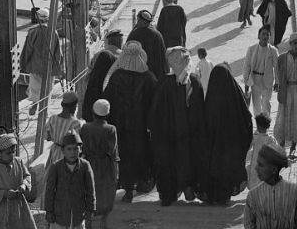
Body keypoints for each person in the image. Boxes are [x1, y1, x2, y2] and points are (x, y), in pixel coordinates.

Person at [150, 46, 207, 207]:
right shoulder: (193, 81)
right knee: (187, 161)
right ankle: (188, 189)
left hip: (167, 135)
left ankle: (170, 193)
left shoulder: (165, 82)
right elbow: (199, 110)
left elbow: (156, 110)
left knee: (169, 163)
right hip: (188, 135)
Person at [103, 41, 158, 201]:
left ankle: (127, 188)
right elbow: (155, 104)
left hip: (120, 126)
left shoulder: (116, 77)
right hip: (141, 128)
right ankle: (142, 182)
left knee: (124, 156)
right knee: (141, 154)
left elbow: (107, 101)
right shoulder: (149, 78)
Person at [43, 130, 96, 229]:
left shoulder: (85, 166)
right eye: (69, 149)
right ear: (63, 151)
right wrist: (49, 211)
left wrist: (90, 209)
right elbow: (49, 191)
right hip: (59, 212)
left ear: (80, 149)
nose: (73, 152)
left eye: (76, 149)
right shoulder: (56, 167)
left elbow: (90, 189)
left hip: (78, 212)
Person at [200, 64, 253, 205]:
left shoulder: (211, 99)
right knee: (227, 170)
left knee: (215, 169)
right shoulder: (235, 96)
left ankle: (214, 196)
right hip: (232, 149)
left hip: (214, 149)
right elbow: (247, 119)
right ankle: (225, 196)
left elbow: (204, 125)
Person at [80, 99, 119, 229]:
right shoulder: (111, 129)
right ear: (107, 114)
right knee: (106, 192)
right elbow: (113, 151)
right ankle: (104, 222)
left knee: (89, 192)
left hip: (89, 163)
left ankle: (88, 226)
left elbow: (82, 147)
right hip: (105, 165)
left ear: (93, 112)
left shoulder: (85, 128)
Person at [274, 32, 297, 158]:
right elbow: (278, 73)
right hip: (286, 90)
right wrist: (279, 84)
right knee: (283, 116)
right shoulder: (282, 58)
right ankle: (281, 145)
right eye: (294, 43)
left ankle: (294, 146)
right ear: (290, 44)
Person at [20, 7, 63, 116]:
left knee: (34, 89)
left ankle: (35, 104)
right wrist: (58, 68)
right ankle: (44, 111)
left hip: (35, 66)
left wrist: (23, 64)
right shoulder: (54, 32)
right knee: (47, 89)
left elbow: (27, 50)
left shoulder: (32, 32)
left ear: (37, 17)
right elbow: (58, 53)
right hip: (49, 68)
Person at [42, 91, 83, 198]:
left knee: (51, 179)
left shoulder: (53, 118)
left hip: (55, 151)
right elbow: (77, 142)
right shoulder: (75, 123)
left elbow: (47, 137)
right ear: (74, 106)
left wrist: (57, 137)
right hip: (68, 153)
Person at [82, 30, 123, 122]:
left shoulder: (99, 55)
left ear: (108, 42)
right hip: (116, 99)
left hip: (96, 96)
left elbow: (88, 77)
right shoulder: (124, 56)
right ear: (120, 42)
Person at [243, 25, 279, 119]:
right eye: (263, 34)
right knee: (256, 104)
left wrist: (277, 81)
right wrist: (246, 81)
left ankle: (266, 123)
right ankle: (259, 125)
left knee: (266, 103)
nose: (265, 36)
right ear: (258, 36)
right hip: (255, 79)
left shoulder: (273, 51)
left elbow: (277, 67)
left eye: (267, 34)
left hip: (267, 79)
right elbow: (247, 66)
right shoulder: (251, 49)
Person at [125, 9, 169, 81]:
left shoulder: (134, 34)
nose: (137, 22)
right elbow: (162, 56)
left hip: (137, 74)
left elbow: (126, 53)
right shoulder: (157, 34)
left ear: (143, 21)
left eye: (138, 20)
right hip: (155, 74)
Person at [245, 113, 281, 189]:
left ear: (257, 126)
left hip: (256, 163)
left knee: (255, 179)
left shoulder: (254, 137)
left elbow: (247, 147)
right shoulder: (270, 139)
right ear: (268, 126)